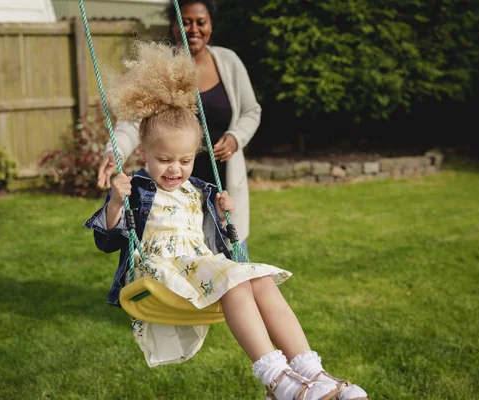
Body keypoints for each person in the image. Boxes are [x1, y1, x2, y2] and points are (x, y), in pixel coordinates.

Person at [84, 41, 368, 400]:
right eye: (164, 159)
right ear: (144, 154)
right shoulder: (137, 187)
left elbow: (213, 240)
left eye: (185, 160)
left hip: (197, 266)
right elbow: (107, 240)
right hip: (160, 272)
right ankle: (277, 381)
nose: (175, 169)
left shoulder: (198, 190)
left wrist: (220, 214)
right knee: (235, 278)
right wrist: (114, 202)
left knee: (260, 278)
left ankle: (313, 372)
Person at [97, 0, 259, 258]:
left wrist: (235, 138)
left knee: (233, 256)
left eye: (200, 22)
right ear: (173, 25)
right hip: (172, 182)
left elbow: (252, 111)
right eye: (185, 21)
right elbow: (132, 120)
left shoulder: (229, 61)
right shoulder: (162, 67)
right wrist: (113, 153)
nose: (193, 28)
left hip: (221, 181)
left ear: (210, 25)